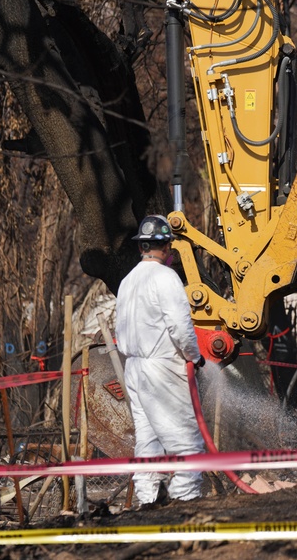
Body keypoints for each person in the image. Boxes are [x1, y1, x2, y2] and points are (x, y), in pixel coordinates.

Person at [115, 215, 206, 505]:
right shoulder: (166, 278)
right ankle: (185, 502)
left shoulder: (128, 281)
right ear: (166, 246)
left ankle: (148, 499)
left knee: (148, 438)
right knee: (186, 442)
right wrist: (195, 357)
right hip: (161, 368)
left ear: (142, 246)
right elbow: (180, 327)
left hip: (134, 368)